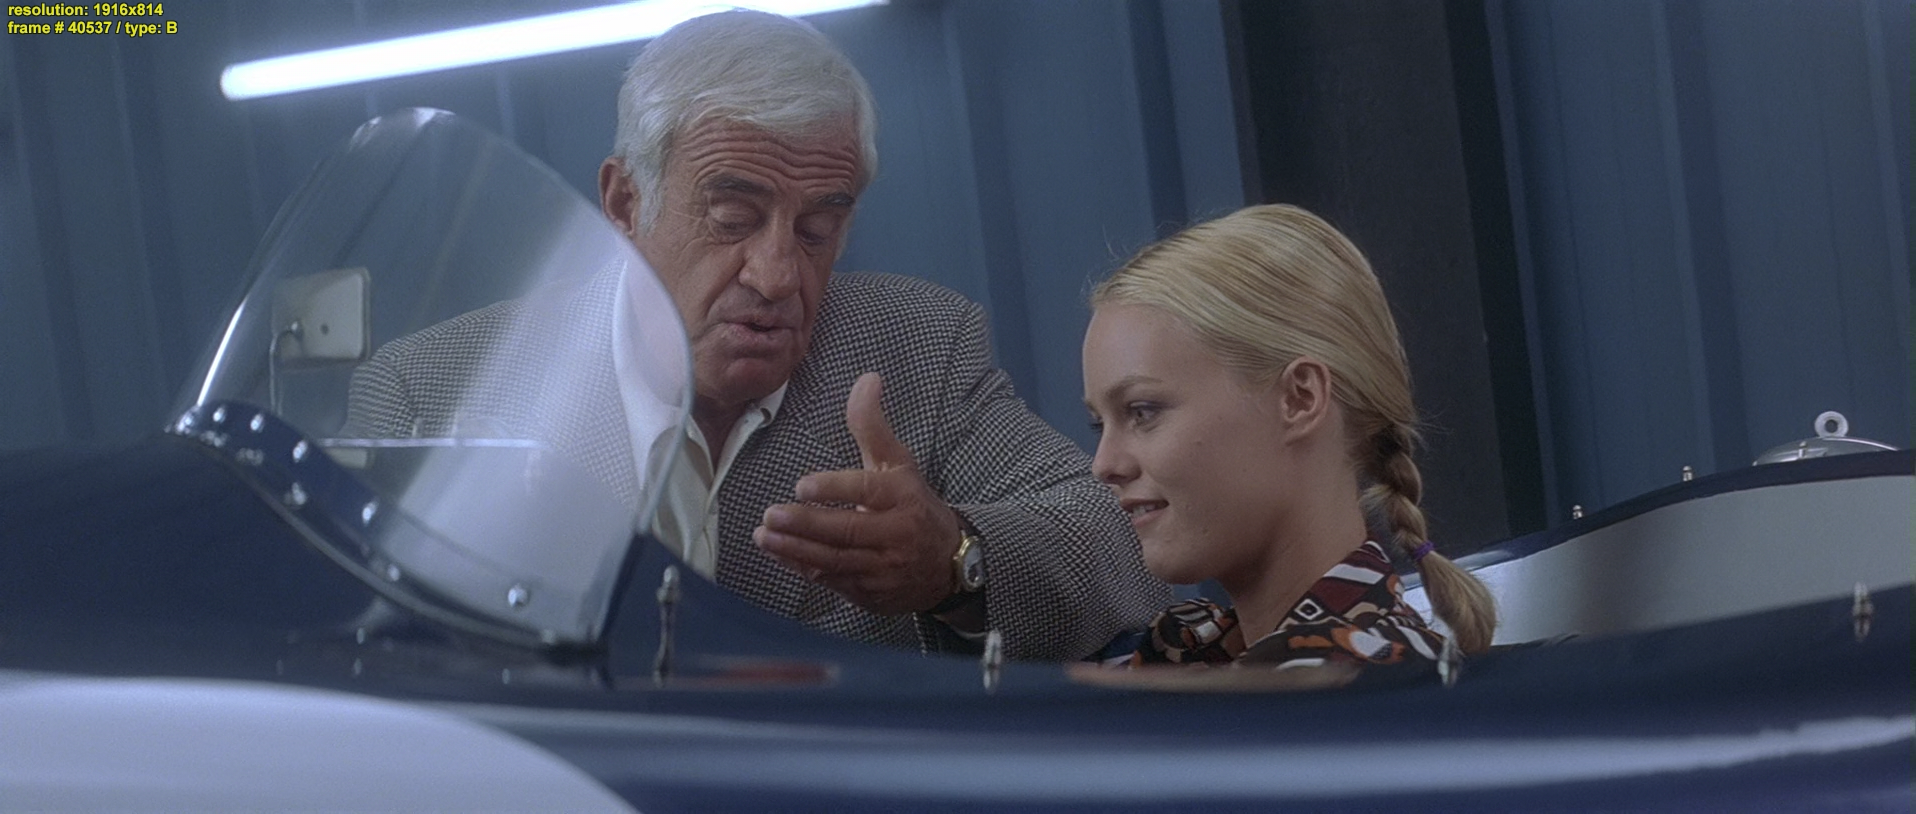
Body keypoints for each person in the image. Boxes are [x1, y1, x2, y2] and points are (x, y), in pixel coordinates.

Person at [347, 10, 1169, 660]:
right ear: (625, 202)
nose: (778, 275)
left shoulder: (915, 346)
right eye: (732, 217)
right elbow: (366, 651)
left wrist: (956, 560)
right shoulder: (435, 387)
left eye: (817, 230)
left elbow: (1114, 541)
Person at [1081, 204, 1496, 670]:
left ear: (1300, 399)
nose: (1104, 465)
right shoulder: (1195, 658)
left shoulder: (1361, 695)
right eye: (1099, 424)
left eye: (1142, 412)